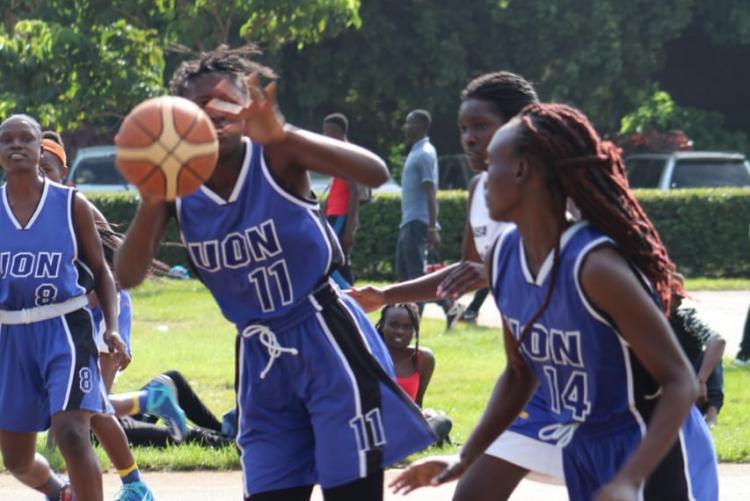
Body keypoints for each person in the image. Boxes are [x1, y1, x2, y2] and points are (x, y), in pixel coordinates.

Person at [113, 45, 435, 501]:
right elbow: (126, 275)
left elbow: (376, 171)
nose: (216, 113)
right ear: (177, 119)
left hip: (327, 339)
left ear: (247, 106)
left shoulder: (275, 154)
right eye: (200, 107)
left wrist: (284, 134)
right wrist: (151, 196)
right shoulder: (176, 188)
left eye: (227, 101)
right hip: (260, 357)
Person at [391, 103, 719, 501]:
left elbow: (680, 381)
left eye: (492, 163)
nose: (483, 176)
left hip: (647, 448)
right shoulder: (503, 257)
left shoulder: (595, 266)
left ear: (523, 171)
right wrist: (464, 458)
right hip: (582, 445)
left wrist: (630, 478)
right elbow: (518, 373)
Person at [352, 72, 566, 500]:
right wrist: (387, 295)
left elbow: (578, 268)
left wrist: (498, 270)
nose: (469, 138)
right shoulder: (481, 191)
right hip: (534, 377)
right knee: (472, 492)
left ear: (520, 124)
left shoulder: (561, 189)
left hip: (595, 381)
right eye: (463, 129)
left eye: (481, 126)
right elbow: (468, 270)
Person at [0, 114, 129, 501]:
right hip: (9, 334)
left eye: (26, 139)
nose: (16, 145)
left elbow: (104, 273)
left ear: (41, 150)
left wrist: (111, 326)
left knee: (72, 433)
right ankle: (61, 495)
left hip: (64, 330)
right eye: (7, 140)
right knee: (17, 460)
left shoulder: (71, 204)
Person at [40, 131, 173, 500]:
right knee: (86, 409)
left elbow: (104, 275)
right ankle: (149, 406)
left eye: (47, 168)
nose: (40, 175)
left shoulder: (75, 205)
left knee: (89, 408)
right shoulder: (27, 210)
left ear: (63, 174)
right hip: (77, 314)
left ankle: (132, 485)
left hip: (100, 310)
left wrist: (102, 331)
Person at [396, 108, 459, 326]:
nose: (405, 127)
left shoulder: (425, 152)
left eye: (409, 123)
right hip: (408, 221)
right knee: (404, 273)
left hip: (418, 222)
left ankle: (411, 324)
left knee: (415, 277)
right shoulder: (415, 151)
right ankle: (448, 306)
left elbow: (430, 192)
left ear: (421, 126)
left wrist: (432, 227)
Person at [375, 303, 452, 445]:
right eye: (393, 325)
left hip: (407, 429)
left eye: (407, 327)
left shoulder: (423, 358)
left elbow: (417, 402)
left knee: (442, 420)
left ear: (414, 331)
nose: (400, 331)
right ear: (382, 325)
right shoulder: (369, 355)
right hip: (376, 429)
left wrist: (426, 416)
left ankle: (420, 441)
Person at [108, 370, 233, 448]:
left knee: (173, 378)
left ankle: (223, 431)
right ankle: (228, 444)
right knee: (179, 433)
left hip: (113, 411)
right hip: (101, 428)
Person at [669, 273, 725, 427]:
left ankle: (711, 416)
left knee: (712, 356)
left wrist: (701, 381)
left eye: (680, 299)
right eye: (676, 298)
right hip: (664, 380)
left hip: (691, 378)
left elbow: (718, 341)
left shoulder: (686, 318)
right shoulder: (644, 318)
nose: (679, 304)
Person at [322, 113, 360, 287]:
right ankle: (347, 295)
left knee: (331, 259)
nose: (324, 136)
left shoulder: (347, 154)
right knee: (335, 259)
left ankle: (350, 295)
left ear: (336, 131)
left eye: (327, 132)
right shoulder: (337, 155)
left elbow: (355, 193)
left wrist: (350, 229)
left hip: (341, 216)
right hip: (333, 215)